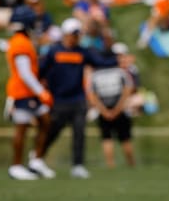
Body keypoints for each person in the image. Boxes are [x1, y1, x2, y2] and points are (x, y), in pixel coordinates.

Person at [39, 17, 117, 179]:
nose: (76, 37)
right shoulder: (54, 51)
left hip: (78, 99)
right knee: (52, 132)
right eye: (74, 34)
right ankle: (37, 158)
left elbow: (100, 62)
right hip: (58, 100)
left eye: (77, 34)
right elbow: (41, 71)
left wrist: (117, 59)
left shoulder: (83, 51)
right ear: (66, 34)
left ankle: (78, 165)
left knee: (79, 133)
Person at [5, 21, 56, 180]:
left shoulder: (23, 41)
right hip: (22, 92)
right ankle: (16, 166)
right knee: (22, 128)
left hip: (29, 92)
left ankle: (36, 161)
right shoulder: (20, 43)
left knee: (46, 121)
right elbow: (25, 73)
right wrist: (42, 92)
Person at [87, 42, 136, 167]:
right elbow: (127, 91)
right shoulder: (120, 72)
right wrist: (118, 109)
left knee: (107, 138)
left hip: (104, 111)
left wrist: (103, 111)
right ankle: (131, 164)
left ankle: (110, 165)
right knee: (125, 138)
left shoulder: (95, 75)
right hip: (120, 110)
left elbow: (93, 95)